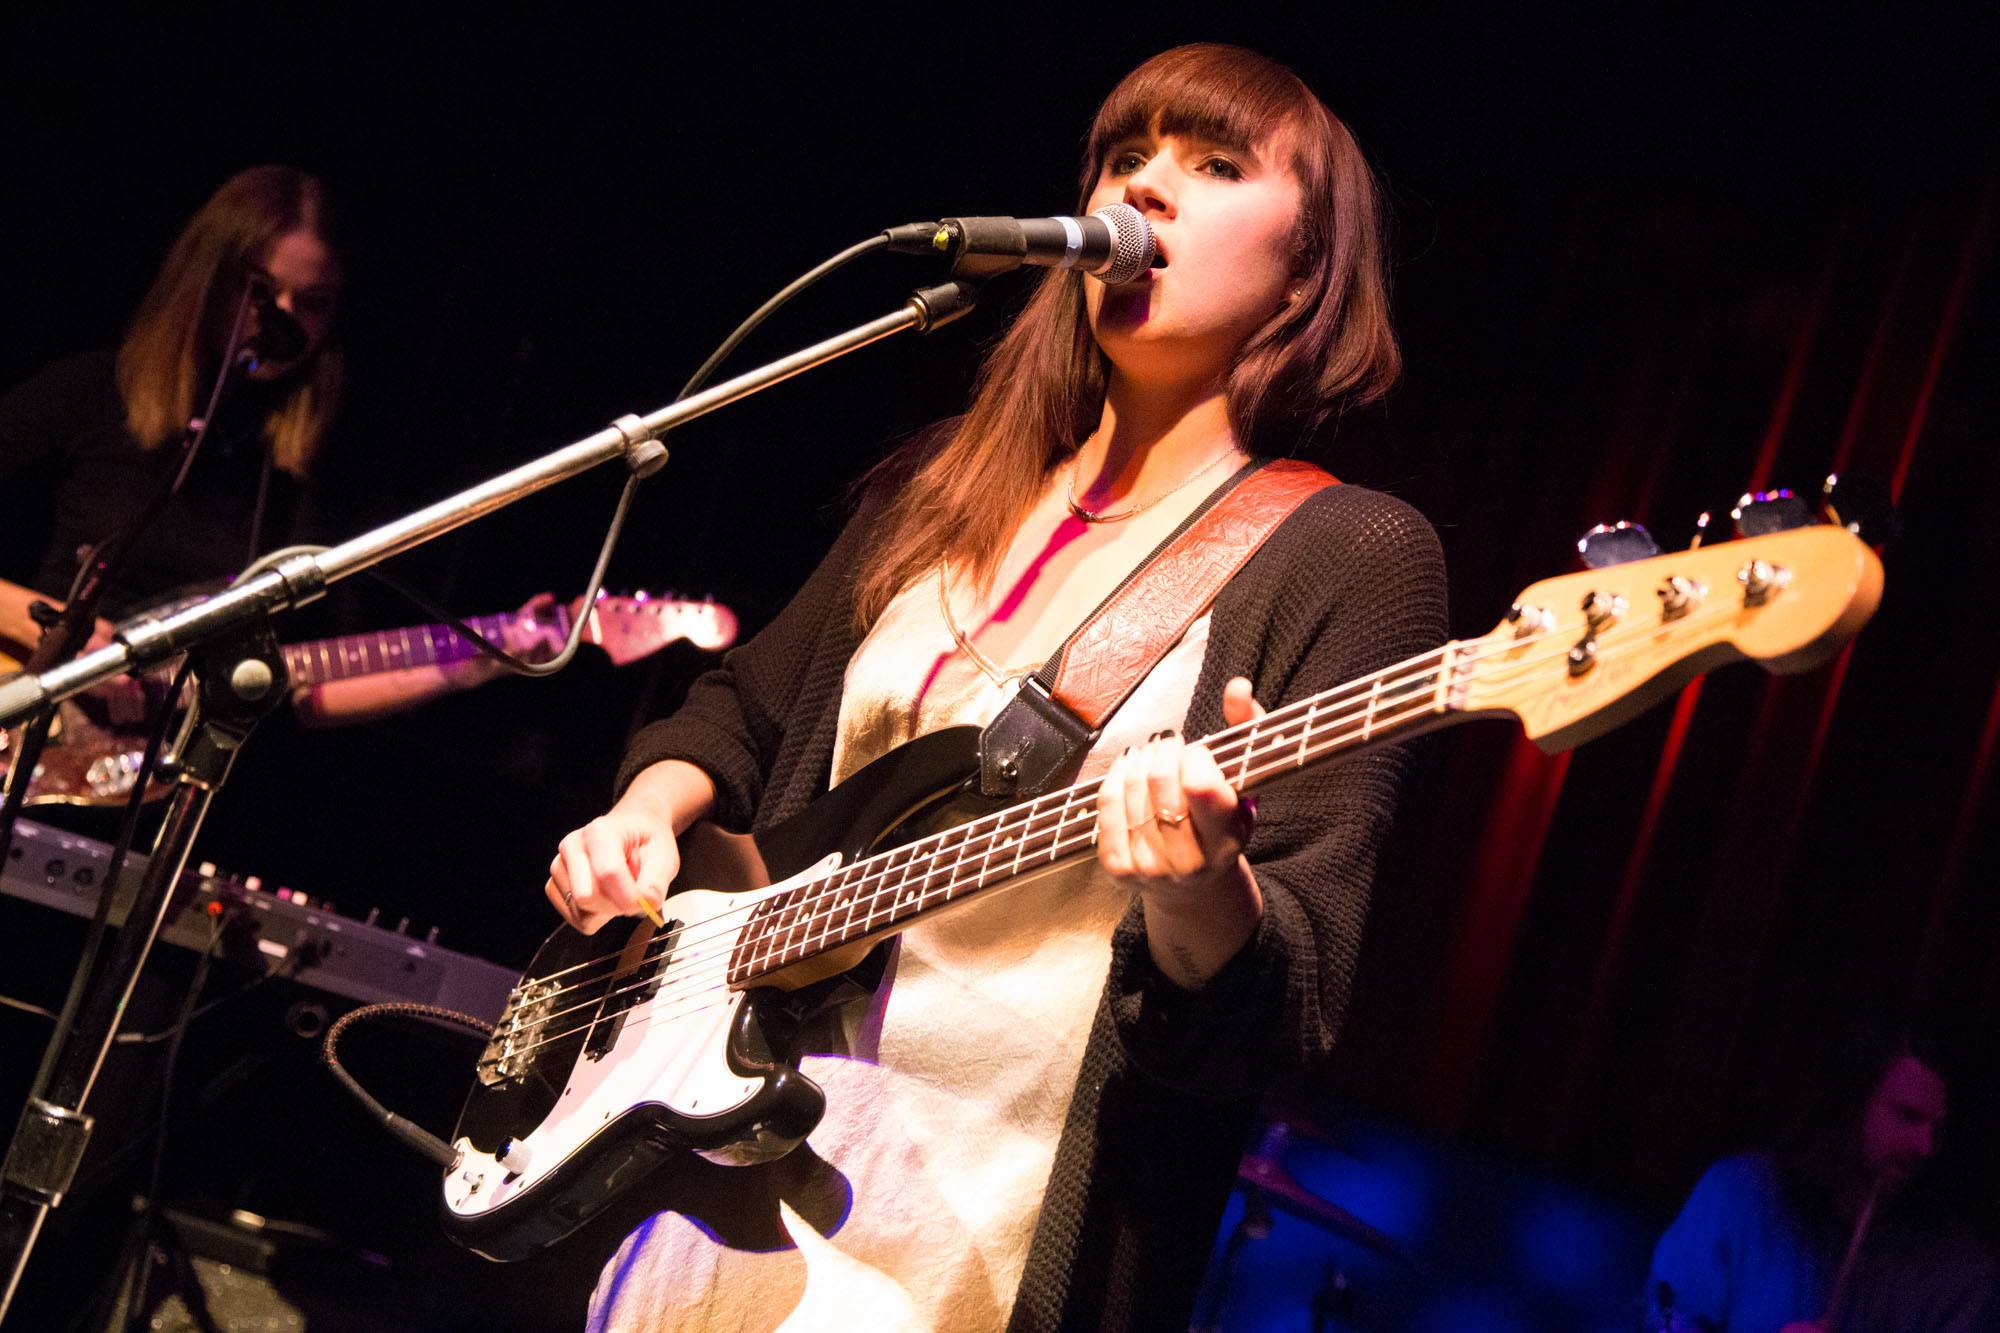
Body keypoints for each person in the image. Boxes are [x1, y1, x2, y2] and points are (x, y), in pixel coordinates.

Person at [546, 44, 1447, 1331]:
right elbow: (741, 710)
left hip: (973, 1256)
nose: (1144, 189)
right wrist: (647, 809)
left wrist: (1198, 883)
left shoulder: (1348, 555)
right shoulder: (947, 486)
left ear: (1305, 269)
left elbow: (1283, 1004)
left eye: (1212, 164)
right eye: (1123, 158)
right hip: (712, 1212)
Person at [0, 164, 551, 739]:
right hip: (26, 723)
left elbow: (308, 687)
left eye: (313, 302)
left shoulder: (313, 468)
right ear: (208, 279)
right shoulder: (90, 392)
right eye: (260, 291)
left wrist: (478, 659)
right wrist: (40, 623)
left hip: (155, 773)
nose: (283, 316)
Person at [1647, 1035, 1997, 1332]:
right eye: (1908, 1115)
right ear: (1852, 1104)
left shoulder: (1960, 1274)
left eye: (1938, 1130)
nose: (1926, 1147)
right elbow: (1665, 1323)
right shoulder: (1740, 1193)